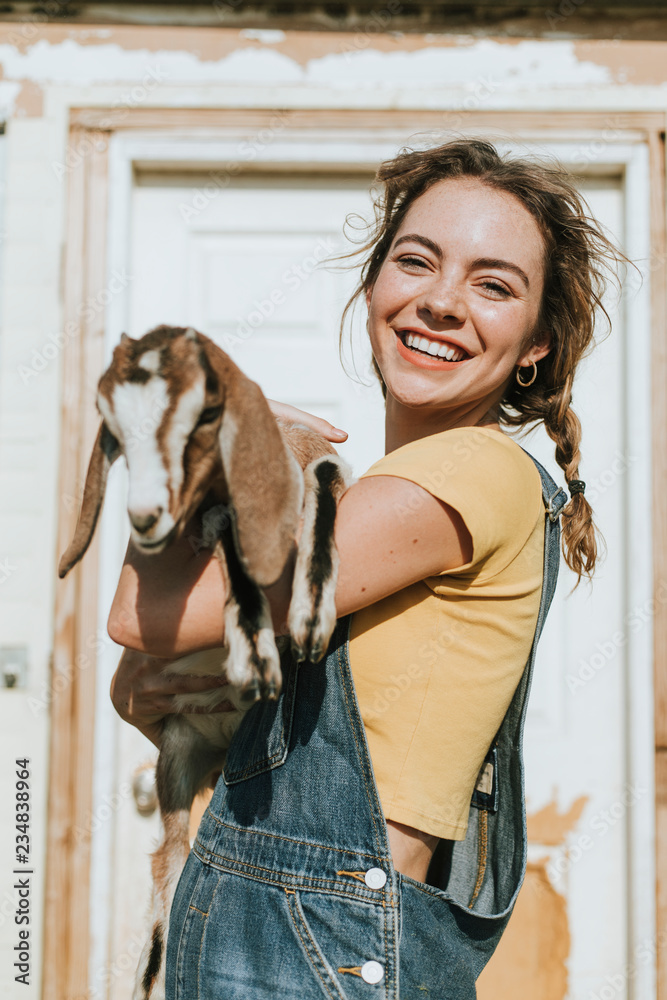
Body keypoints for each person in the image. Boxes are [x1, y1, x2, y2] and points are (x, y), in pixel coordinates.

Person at [108, 138, 622, 997]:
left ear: (534, 345)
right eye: (415, 262)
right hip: (281, 925)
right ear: (373, 285)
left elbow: (140, 616)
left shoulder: (465, 475)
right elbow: (148, 681)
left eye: (493, 285)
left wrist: (197, 449)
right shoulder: (383, 502)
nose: (442, 302)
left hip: (312, 940)